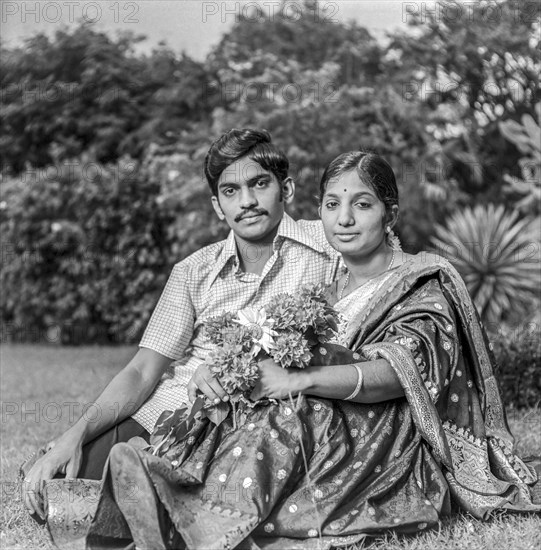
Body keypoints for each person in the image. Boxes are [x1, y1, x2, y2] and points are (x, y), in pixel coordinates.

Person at [78, 151, 540, 549]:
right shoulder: (324, 283)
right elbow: (281, 354)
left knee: (285, 421)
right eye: (332, 205)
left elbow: (401, 373)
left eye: (362, 205)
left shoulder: (418, 282)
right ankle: (162, 499)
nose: (344, 219)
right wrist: (217, 373)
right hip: (328, 413)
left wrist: (300, 381)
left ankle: (188, 518)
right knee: (240, 410)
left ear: (390, 215)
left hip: (385, 428)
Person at [22, 128, 342, 522]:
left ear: (286, 189)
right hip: (173, 410)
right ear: (216, 205)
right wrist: (73, 436)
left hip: (260, 423)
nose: (247, 201)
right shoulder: (193, 271)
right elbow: (142, 371)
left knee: (137, 506)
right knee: (57, 495)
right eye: (230, 191)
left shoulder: (330, 246)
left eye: (259, 184)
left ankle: (167, 492)